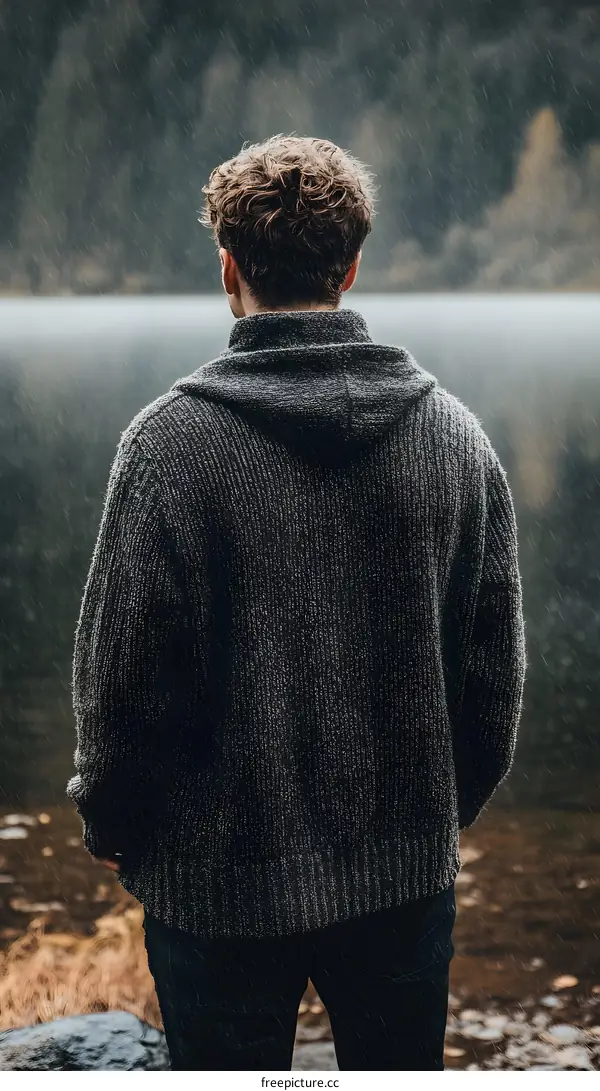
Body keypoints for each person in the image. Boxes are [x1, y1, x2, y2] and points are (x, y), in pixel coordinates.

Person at [67, 136, 526, 1071]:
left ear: (228, 269)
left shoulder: (167, 448)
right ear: (351, 266)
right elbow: (493, 684)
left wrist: (112, 823)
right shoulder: (455, 440)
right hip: (402, 880)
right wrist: (433, 812)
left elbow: (121, 689)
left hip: (215, 891)